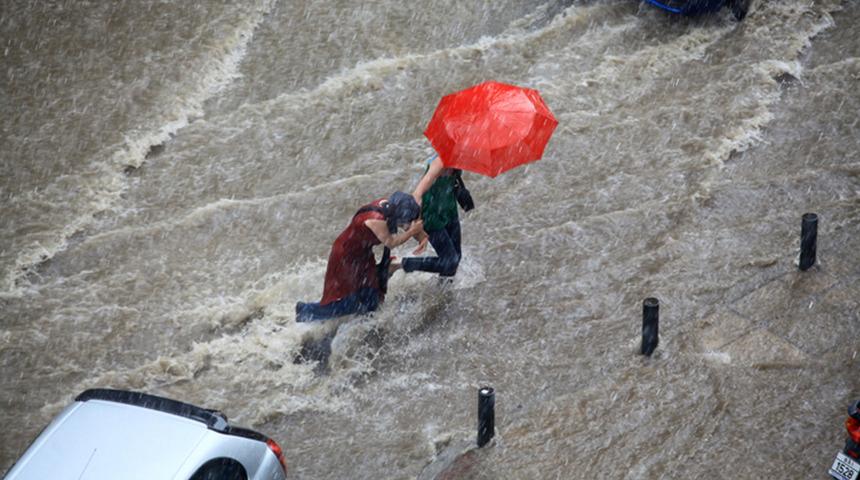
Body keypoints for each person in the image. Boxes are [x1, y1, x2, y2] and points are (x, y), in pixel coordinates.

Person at [296, 191, 422, 322]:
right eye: (404, 222)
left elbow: (410, 225)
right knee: (346, 300)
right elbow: (391, 242)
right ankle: (305, 311)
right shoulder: (376, 220)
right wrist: (413, 231)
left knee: (371, 293)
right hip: (346, 257)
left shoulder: (390, 207)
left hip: (362, 253)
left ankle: (364, 324)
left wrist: (421, 235)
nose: (405, 226)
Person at [398, 155, 473, 278]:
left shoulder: (458, 159)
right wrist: (418, 229)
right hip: (432, 217)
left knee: (455, 259)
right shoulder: (439, 163)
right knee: (450, 262)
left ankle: (444, 293)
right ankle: (398, 264)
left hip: (450, 212)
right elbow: (417, 194)